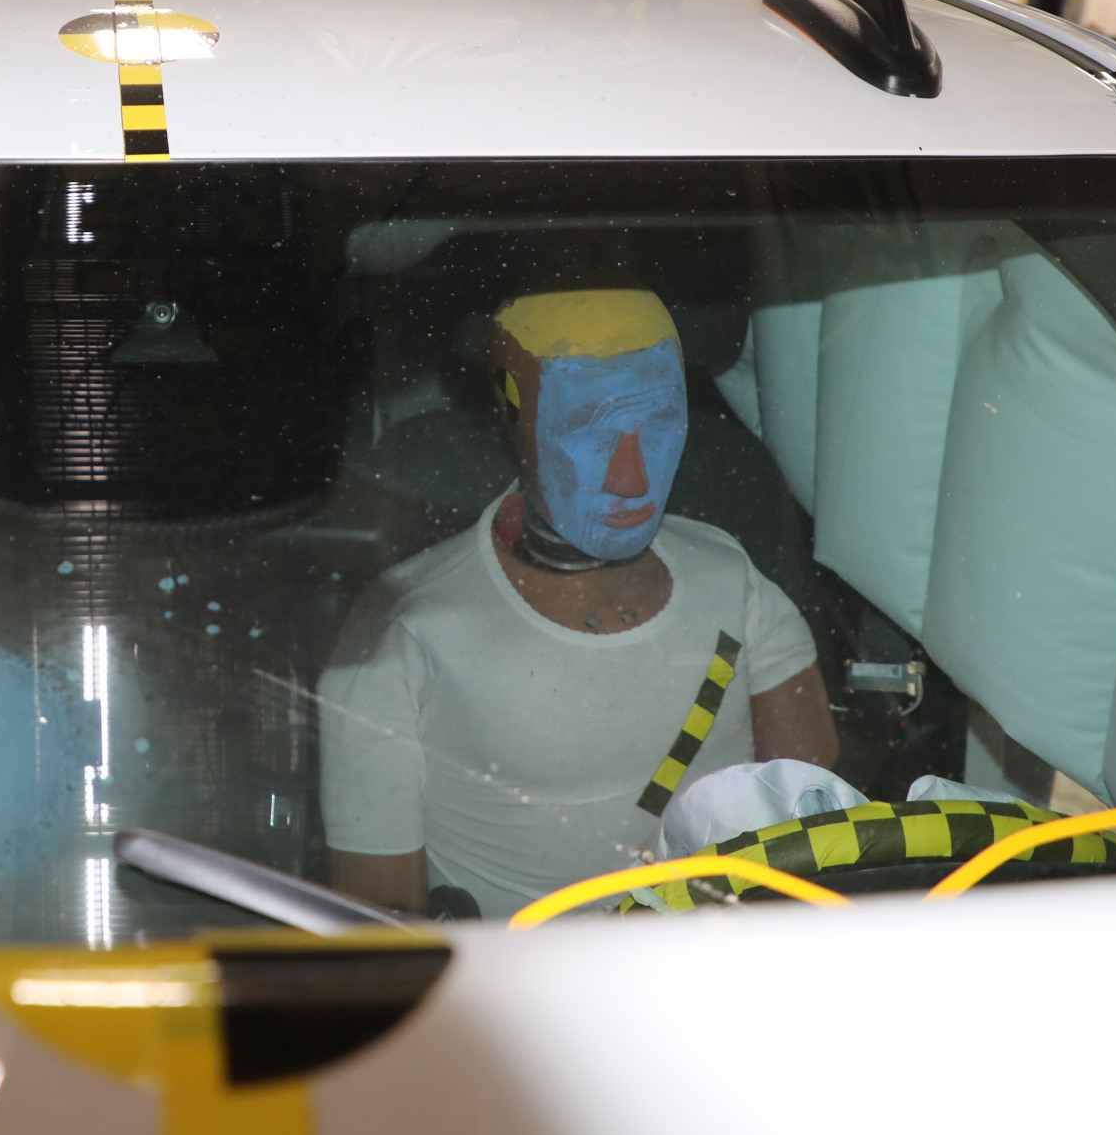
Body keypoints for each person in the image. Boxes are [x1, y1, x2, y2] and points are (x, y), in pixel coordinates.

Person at [319, 289, 838, 920]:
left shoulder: (732, 577)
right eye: (588, 429)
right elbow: (382, 929)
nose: (631, 477)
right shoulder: (405, 632)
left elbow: (816, 828)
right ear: (514, 415)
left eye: (659, 422)